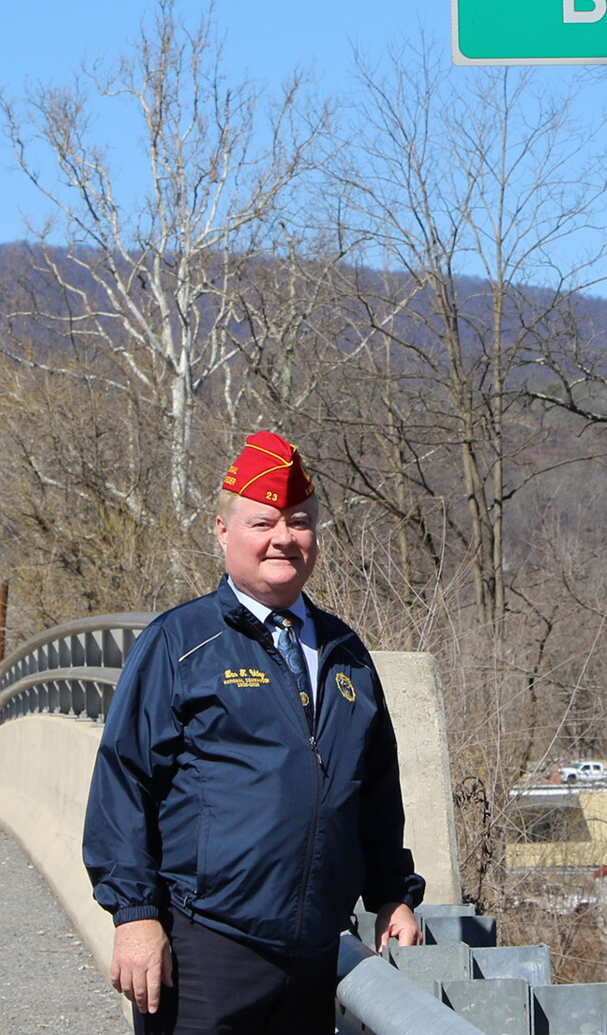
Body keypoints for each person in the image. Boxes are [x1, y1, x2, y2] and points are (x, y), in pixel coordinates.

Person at [84, 430, 427, 1035]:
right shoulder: (181, 642)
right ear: (222, 532)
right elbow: (125, 781)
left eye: (298, 522)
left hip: (317, 952)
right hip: (206, 949)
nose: (282, 539)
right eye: (261, 522)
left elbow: (374, 789)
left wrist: (391, 891)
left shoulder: (346, 652)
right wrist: (135, 915)